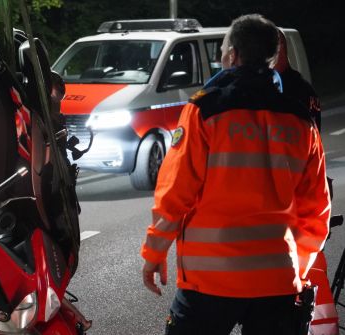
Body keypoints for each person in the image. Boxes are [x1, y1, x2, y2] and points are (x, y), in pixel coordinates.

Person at [140, 14, 331, 335]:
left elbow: (175, 192)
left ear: (232, 55)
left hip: (210, 281)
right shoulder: (300, 121)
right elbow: (316, 210)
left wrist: (155, 252)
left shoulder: (205, 110)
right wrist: (295, 270)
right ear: (273, 59)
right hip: (277, 282)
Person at [274, 29, 338, 335]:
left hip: (297, 193)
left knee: (304, 263)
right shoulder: (297, 88)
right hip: (304, 189)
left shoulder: (292, 92)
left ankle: (313, 320)